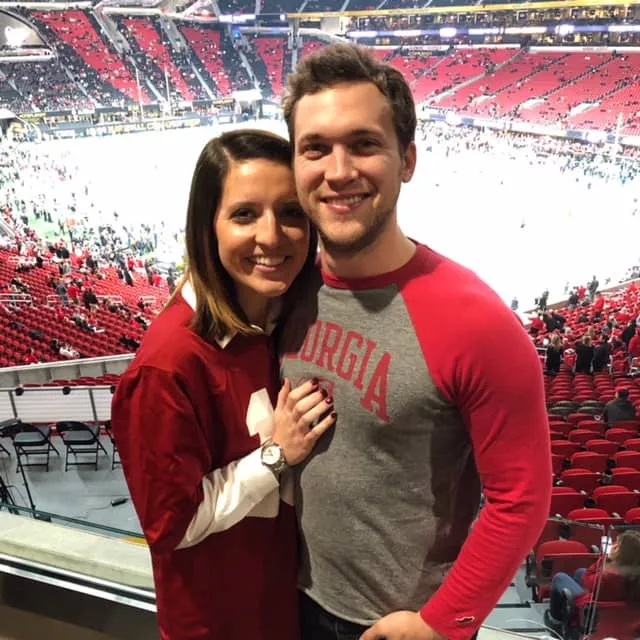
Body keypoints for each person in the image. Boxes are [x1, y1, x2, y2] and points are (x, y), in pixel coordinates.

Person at [279, 44, 551, 640]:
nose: (338, 171)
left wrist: (442, 623)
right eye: (315, 148)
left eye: (364, 144)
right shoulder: (284, 293)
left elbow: (522, 498)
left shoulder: (477, 322)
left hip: (398, 628)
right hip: (288, 598)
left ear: (407, 160)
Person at [111, 130, 336, 640]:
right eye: (245, 214)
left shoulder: (278, 320)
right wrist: (276, 455)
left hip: (284, 608)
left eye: (291, 212)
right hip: (218, 626)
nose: (272, 236)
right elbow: (171, 526)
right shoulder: (167, 366)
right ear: (206, 226)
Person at [545, 530, 640, 632]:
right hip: (623, 612)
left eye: (617, 544)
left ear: (622, 552)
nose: (613, 545)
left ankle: (555, 621)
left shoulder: (607, 576)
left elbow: (587, 579)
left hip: (591, 609)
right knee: (580, 572)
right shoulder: (634, 575)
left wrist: (605, 559)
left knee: (560, 577)